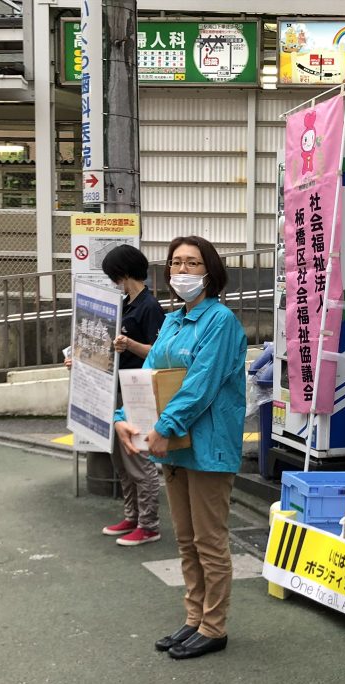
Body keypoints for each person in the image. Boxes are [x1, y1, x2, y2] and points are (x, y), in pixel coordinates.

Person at [114, 235, 246, 660]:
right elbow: (146, 379)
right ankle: (193, 619)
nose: (182, 271)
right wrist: (123, 419)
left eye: (192, 263)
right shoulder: (172, 322)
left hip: (206, 446)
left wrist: (165, 426)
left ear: (210, 271)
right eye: (176, 264)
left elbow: (199, 385)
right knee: (186, 540)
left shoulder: (221, 321)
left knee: (209, 540)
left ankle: (214, 625)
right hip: (173, 445)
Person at [98, 244, 166, 546]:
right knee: (120, 457)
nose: (114, 282)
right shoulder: (127, 303)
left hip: (138, 389)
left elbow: (159, 352)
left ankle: (149, 524)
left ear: (124, 273)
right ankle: (132, 515)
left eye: (115, 276)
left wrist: (129, 345)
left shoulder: (149, 307)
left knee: (138, 457)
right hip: (119, 385)